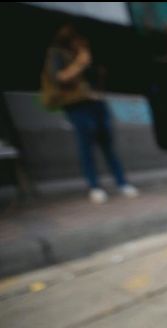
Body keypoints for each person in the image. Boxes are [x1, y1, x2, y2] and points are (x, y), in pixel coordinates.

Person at [41, 24, 138, 204]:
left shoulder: (87, 54)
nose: (83, 43)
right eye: (80, 40)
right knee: (86, 147)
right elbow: (59, 78)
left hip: (97, 102)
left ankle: (122, 183)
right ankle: (95, 186)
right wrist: (79, 63)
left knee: (108, 144)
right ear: (72, 39)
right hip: (77, 105)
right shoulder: (57, 53)